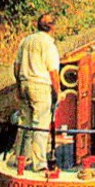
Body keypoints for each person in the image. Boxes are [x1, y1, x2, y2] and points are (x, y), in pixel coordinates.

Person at [12, 13, 61, 172]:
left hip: (24, 83)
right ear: (52, 27)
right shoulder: (48, 45)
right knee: (40, 124)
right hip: (40, 86)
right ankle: (39, 164)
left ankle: (19, 158)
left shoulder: (26, 41)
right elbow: (53, 72)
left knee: (24, 124)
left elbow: (16, 67)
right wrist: (58, 93)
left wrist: (19, 86)